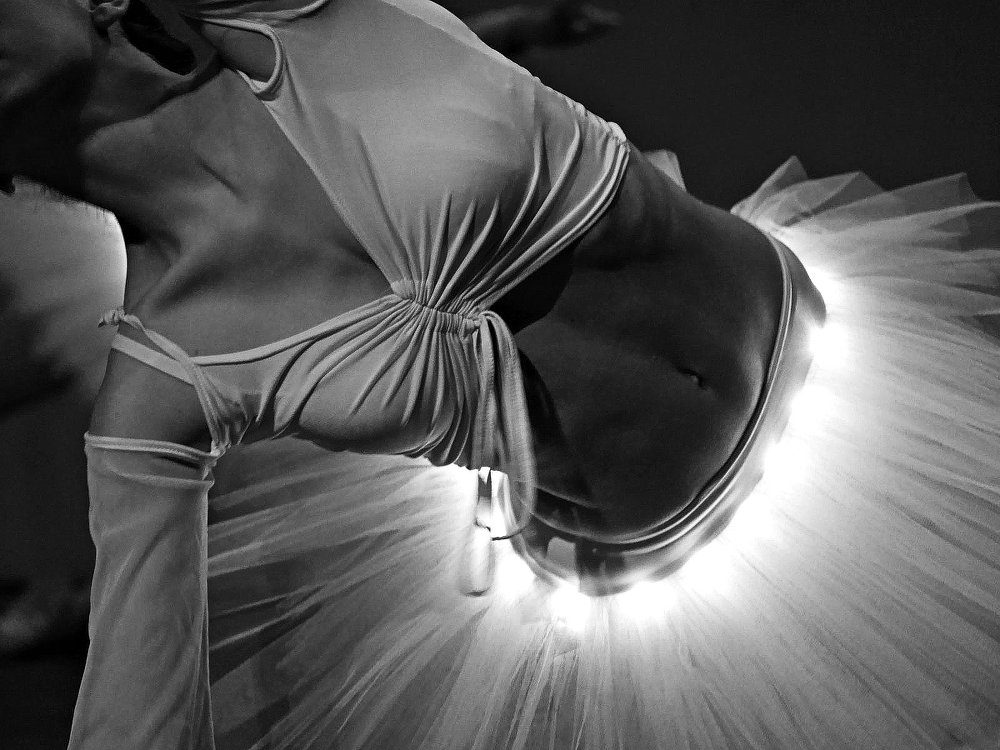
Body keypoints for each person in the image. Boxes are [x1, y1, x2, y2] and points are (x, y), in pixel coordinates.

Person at [2, 0, 998, 748]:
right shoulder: (160, 386)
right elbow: (136, 721)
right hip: (674, 583)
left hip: (849, 381)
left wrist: (508, 29)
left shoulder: (295, 17)